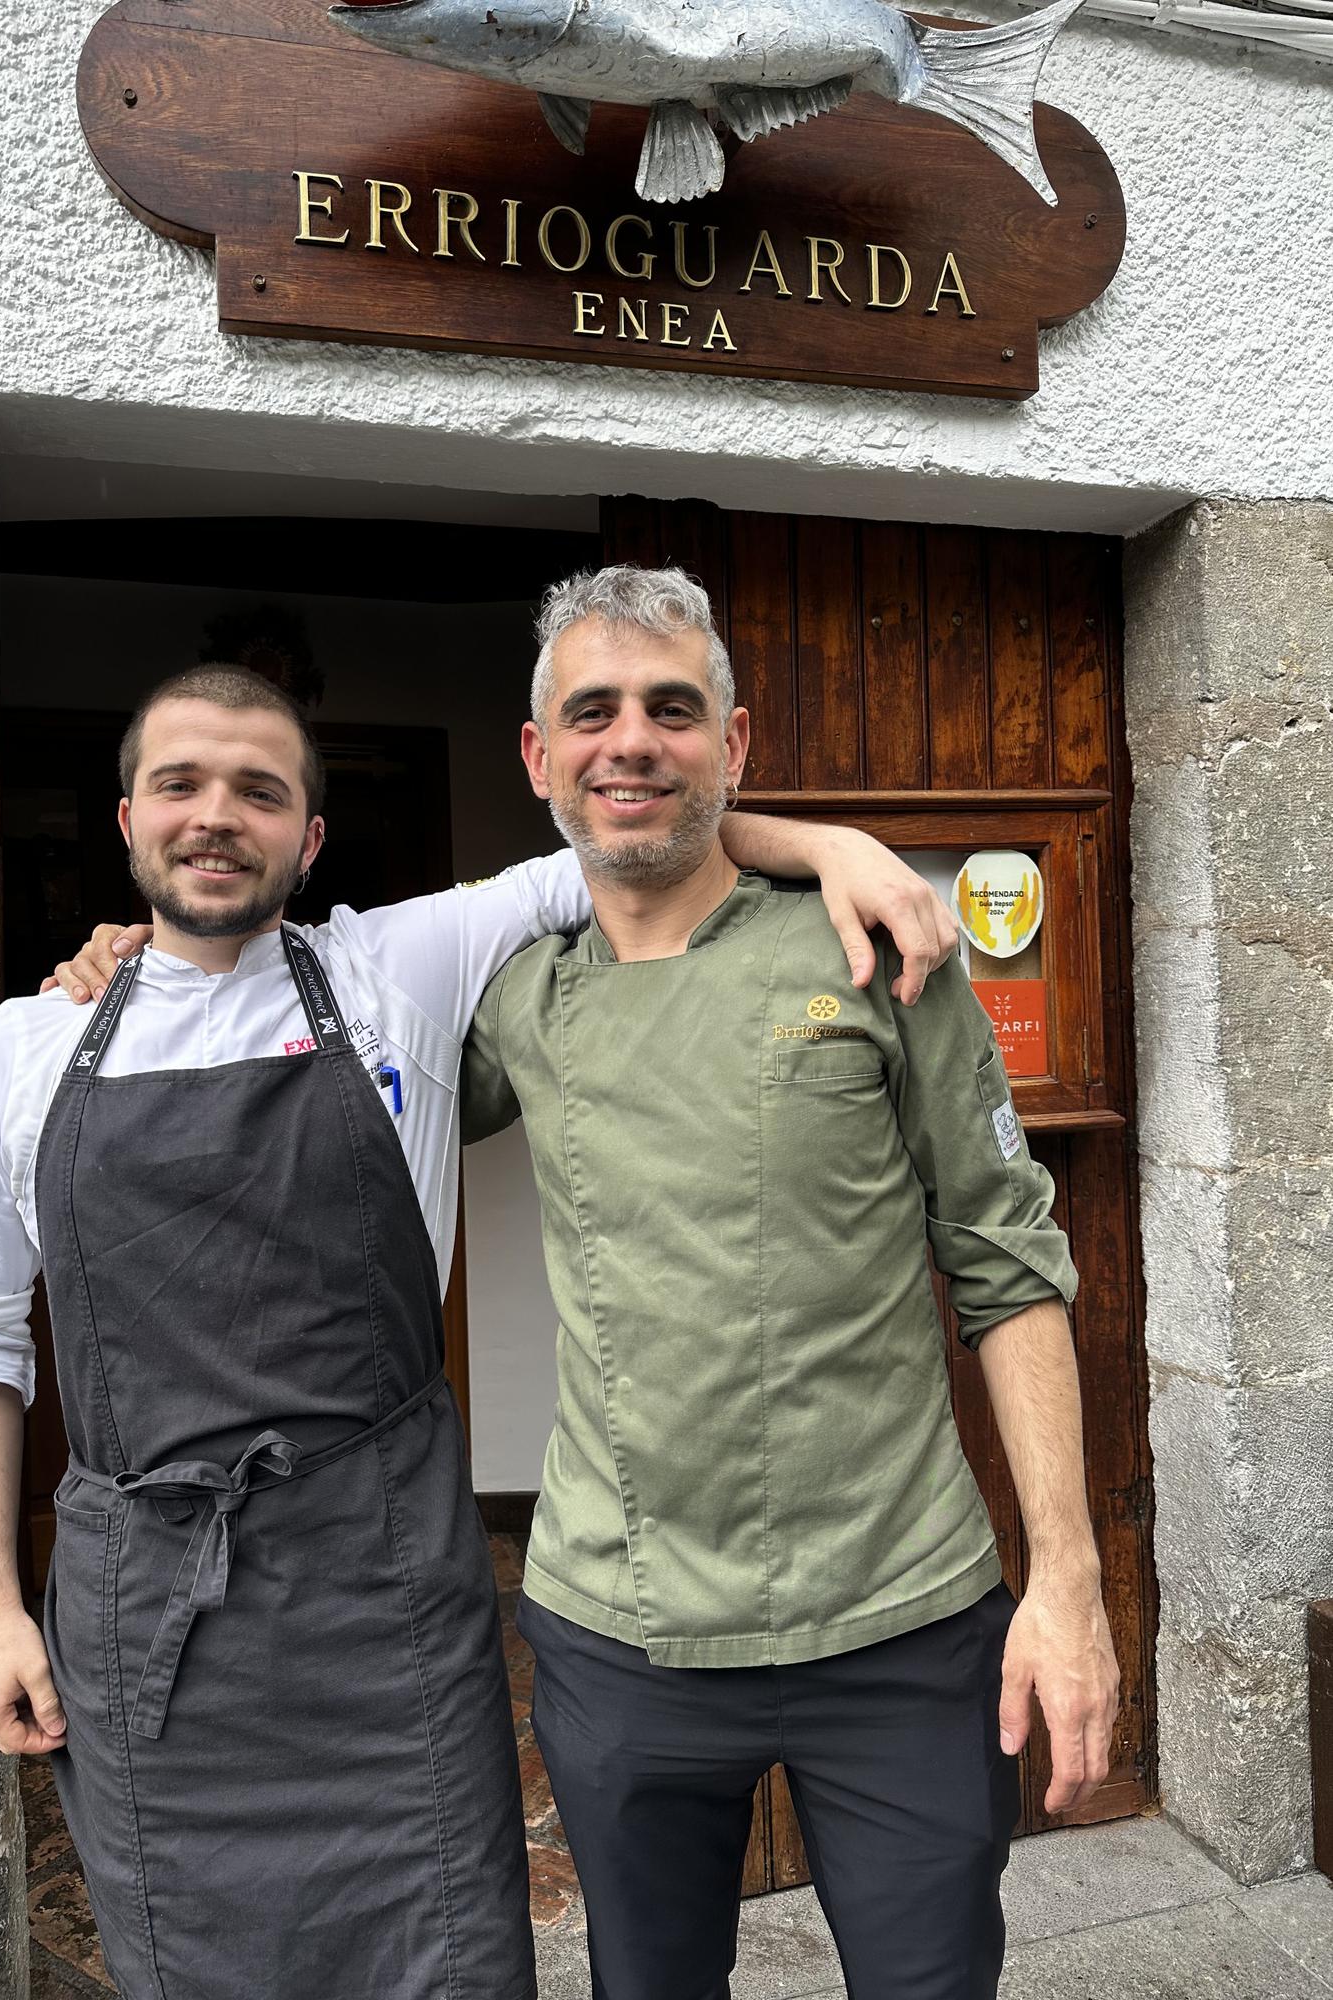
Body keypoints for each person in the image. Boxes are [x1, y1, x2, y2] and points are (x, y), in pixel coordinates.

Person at [0, 661, 960, 2000]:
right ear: (127, 821)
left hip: (383, 1598)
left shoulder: (396, 966)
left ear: (311, 836)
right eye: (179, 784)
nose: (216, 815)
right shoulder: (15, 1052)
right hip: (149, 1634)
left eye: (259, 790)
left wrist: (836, 846)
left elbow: (632, 829)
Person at [449, 566, 1120, 2000]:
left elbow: (1007, 1268)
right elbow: (315, 1061)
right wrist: (128, 966)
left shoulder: (879, 947)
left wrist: (1066, 1581)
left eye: (673, 709)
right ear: (539, 755)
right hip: (621, 1632)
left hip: (905, 1625)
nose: (632, 740)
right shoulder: (513, 993)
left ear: (734, 744)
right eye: (595, 712)